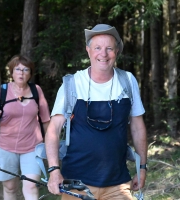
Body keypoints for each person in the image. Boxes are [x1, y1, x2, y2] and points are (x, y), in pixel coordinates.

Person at [45, 24, 147, 200]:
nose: (103, 54)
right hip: (76, 184)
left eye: (109, 48)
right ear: (88, 50)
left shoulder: (128, 81)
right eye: (98, 48)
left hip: (118, 183)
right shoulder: (73, 84)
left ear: (117, 51)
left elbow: (138, 128)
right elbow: (53, 130)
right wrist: (54, 170)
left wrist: (142, 168)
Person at [0, 55, 50, 200]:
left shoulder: (36, 90)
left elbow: (46, 120)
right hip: (6, 147)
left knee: (31, 185)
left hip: (32, 147)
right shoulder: (3, 91)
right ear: (12, 72)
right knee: (10, 187)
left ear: (30, 74)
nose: (21, 73)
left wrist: (51, 143)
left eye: (26, 69)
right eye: (17, 69)